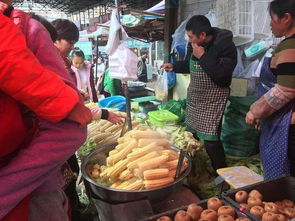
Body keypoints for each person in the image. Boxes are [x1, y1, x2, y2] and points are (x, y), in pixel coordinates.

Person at [0, 12, 92, 221]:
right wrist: (69, 104)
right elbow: (71, 128)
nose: (70, 46)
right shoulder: (27, 31)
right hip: (29, 196)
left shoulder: (19, 28)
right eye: (69, 41)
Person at [161, 15, 237, 173]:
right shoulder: (194, 44)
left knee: (211, 141)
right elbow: (190, 65)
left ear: (202, 35)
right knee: (190, 136)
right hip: (196, 96)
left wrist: (203, 55)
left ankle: (221, 176)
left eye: (191, 36)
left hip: (213, 98)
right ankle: (193, 169)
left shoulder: (225, 45)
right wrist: (174, 66)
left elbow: (222, 77)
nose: (189, 41)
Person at [245, 0, 295, 180]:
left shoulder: (291, 45)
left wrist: (256, 111)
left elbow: (285, 90)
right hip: (282, 119)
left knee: (285, 183)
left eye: (273, 19)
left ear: (286, 18)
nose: (270, 24)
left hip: (288, 128)